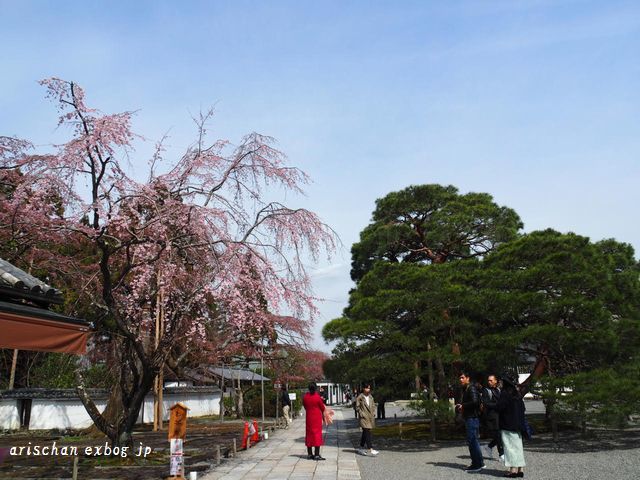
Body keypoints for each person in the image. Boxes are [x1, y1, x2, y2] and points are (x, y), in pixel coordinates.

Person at [497, 376, 526, 478]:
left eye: (500, 382)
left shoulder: (504, 394)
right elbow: (523, 408)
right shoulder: (517, 394)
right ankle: (520, 468)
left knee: (509, 447)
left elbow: (499, 407)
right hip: (518, 425)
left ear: (505, 383)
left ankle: (513, 470)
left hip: (507, 424)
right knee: (518, 447)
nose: (499, 383)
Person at [455, 371, 485, 473]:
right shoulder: (467, 388)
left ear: (468, 378)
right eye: (460, 378)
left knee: (472, 441)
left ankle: (476, 464)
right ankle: (479, 462)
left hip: (472, 418)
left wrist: (463, 406)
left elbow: (475, 402)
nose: (461, 379)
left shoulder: (471, 388)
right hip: (471, 418)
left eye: (462, 377)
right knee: (474, 441)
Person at [482, 374, 504, 462]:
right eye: (488, 380)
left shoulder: (498, 390)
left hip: (500, 415)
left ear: (496, 381)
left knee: (500, 435)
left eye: (491, 380)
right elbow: (486, 403)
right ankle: (501, 454)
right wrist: (497, 405)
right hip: (492, 416)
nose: (489, 382)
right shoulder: (486, 391)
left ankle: (489, 446)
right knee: (498, 434)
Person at [302, 382, 326, 460]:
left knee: (309, 435)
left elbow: (305, 406)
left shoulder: (305, 397)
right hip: (317, 419)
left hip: (309, 418)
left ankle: (309, 454)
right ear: (315, 388)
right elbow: (322, 407)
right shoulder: (317, 397)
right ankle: (316, 454)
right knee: (317, 435)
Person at [356, 384, 379, 456]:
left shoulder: (370, 397)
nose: (368, 390)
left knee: (365, 433)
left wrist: (373, 412)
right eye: (367, 388)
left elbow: (373, 405)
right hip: (363, 418)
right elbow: (357, 407)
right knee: (367, 432)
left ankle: (361, 448)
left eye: (369, 388)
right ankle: (370, 448)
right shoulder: (360, 397)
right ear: (363, 388)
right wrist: (361, 413)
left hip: (370, 417)